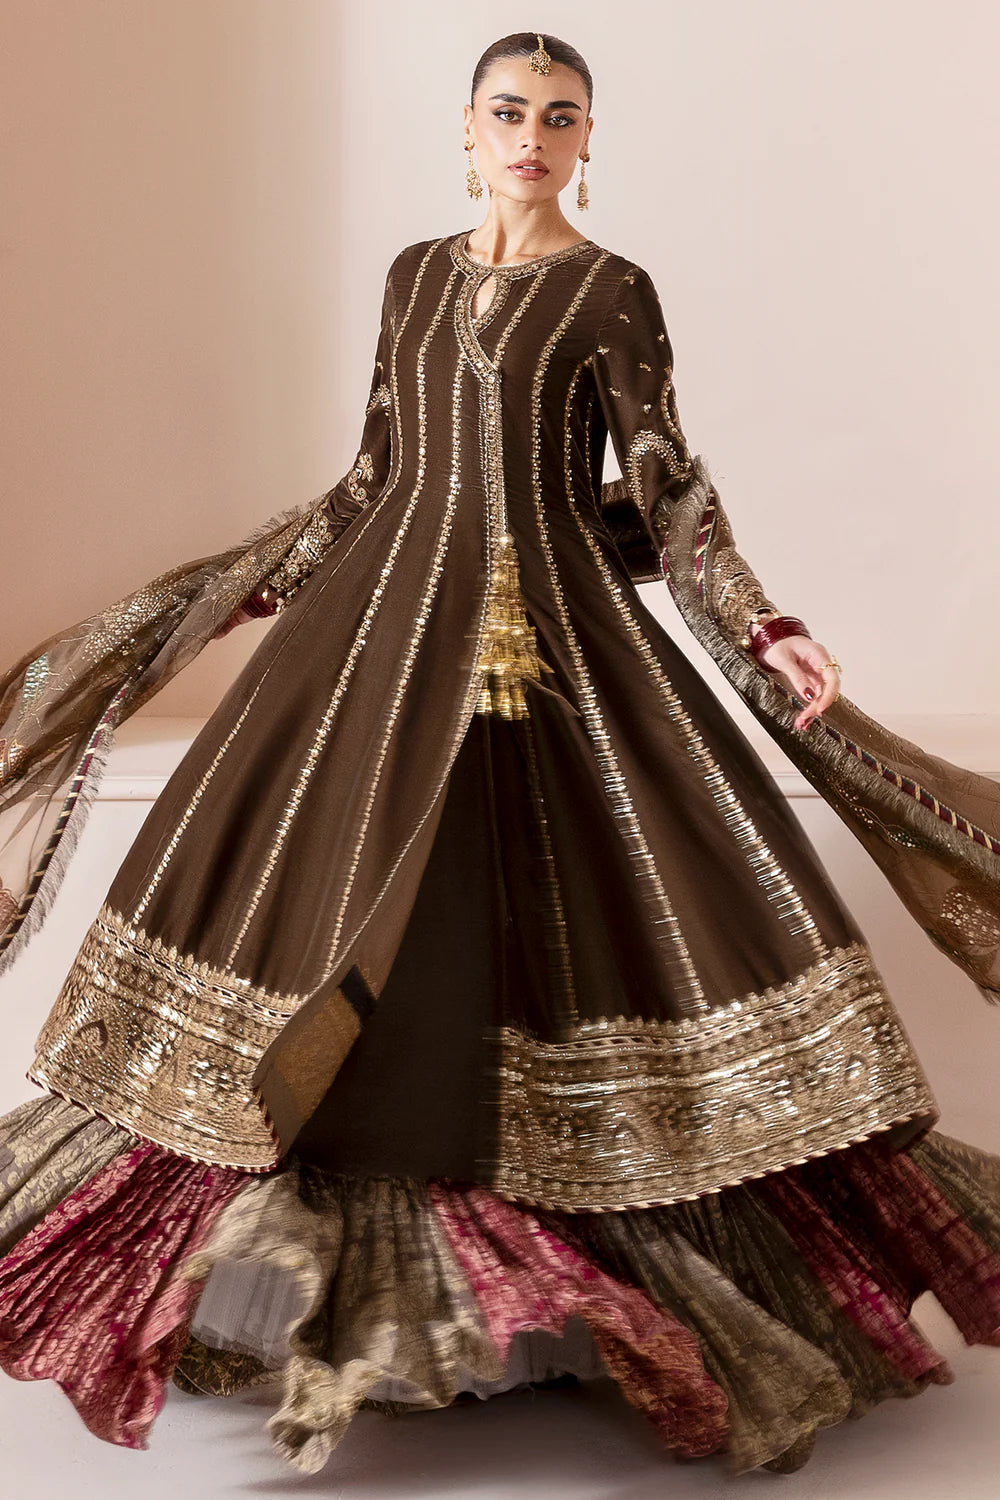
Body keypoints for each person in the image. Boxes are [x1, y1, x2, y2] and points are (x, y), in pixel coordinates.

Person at [1, 28, 1000, 1481]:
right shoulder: (413, 276)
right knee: (323, 906)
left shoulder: (611, 290)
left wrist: (761, 622)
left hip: (550, 649)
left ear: (592, 138)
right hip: (377, 631)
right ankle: (333, 1275)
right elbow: (375, 472)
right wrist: (271, 580)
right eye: (510, 111)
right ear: (466, 128)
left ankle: (562, 1300)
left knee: (542, 921)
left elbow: (666, 488)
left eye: (562, 116)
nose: (533, 136)